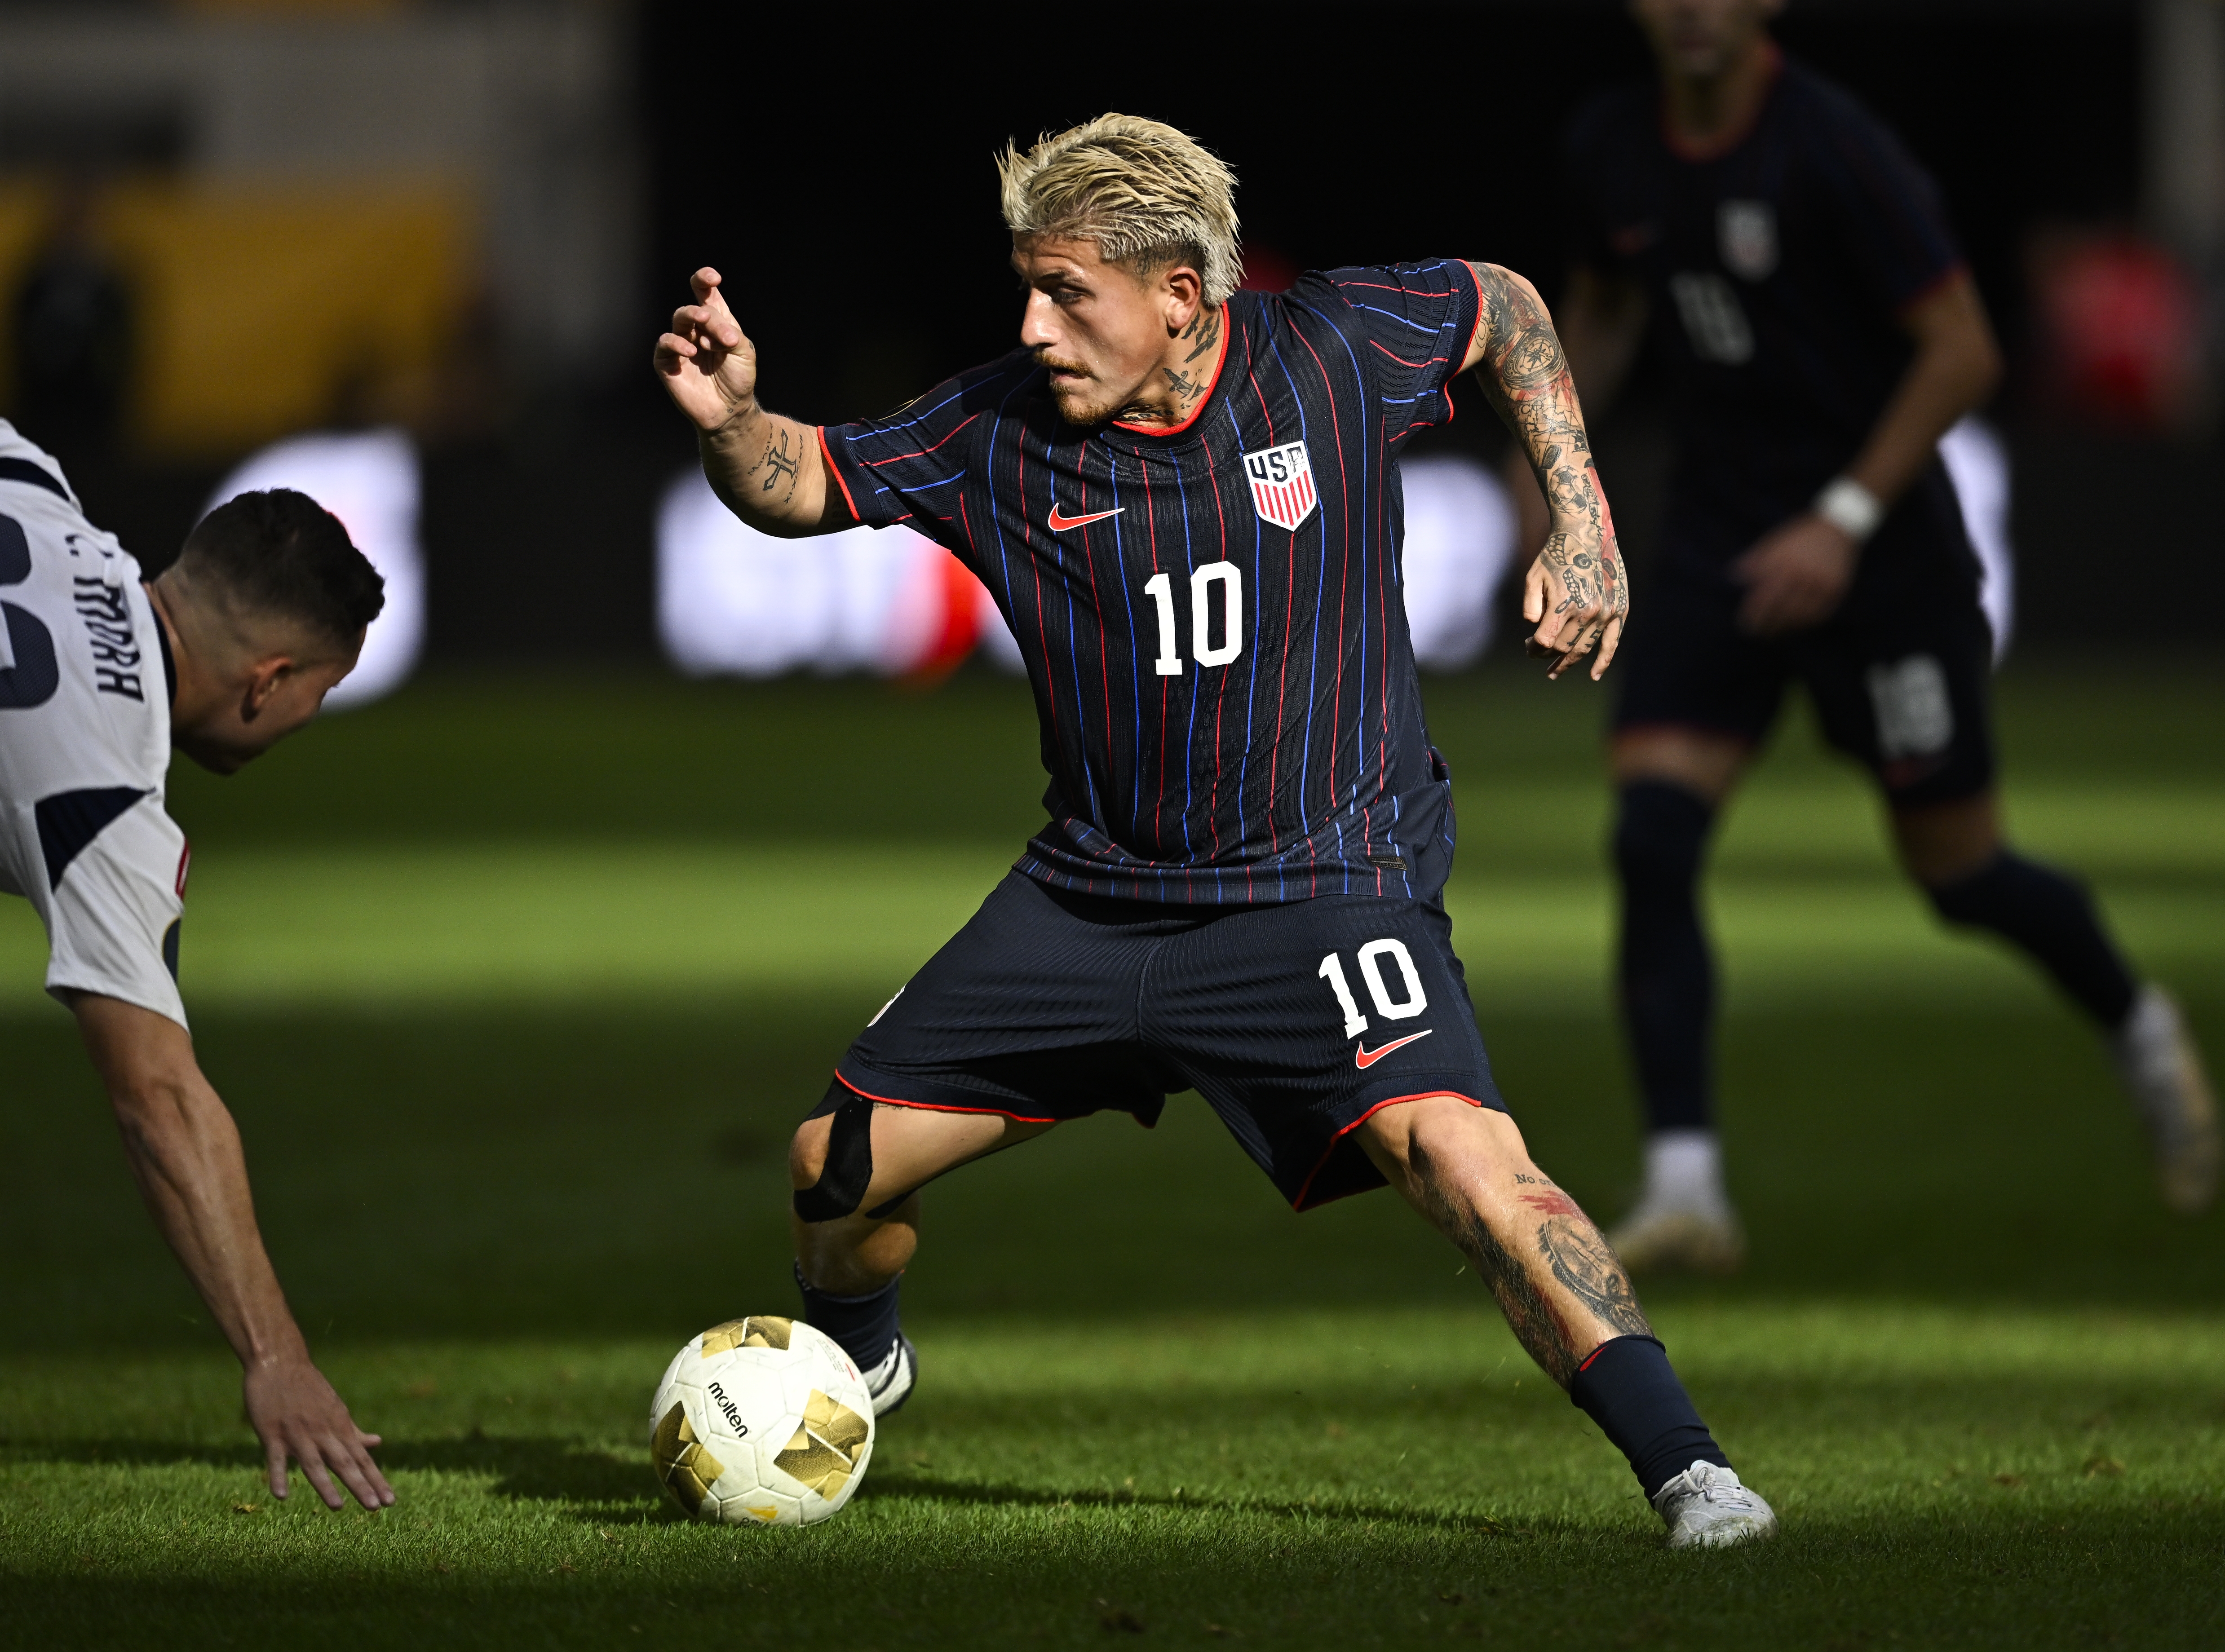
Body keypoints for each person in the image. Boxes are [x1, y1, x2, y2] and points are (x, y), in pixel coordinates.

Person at [656, 113, 1775, 1547]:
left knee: (1464, 1161)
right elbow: (799, 483)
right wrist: (737, 420)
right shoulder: (998, 424)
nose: (1034, 323)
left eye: (1069, 291)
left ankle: (1693, 1475)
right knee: (831, 1167)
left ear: (1181, 294)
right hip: (1090, 899)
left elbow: (1507, 306)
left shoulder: (1330, 350)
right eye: (1028, 286)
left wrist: (1583, 513)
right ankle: (860, 1361)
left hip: (1320, 887)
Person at [1517, 0, 2217, 1274]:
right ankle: (1686, 1186)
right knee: (1652, 833)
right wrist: (1553, 467)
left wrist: (1839, 521)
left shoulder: (1834, 147)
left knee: (1961, 873)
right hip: (1720, 542)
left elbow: (1963, 350)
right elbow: (1607, 307)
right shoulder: (1608, 146)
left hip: (1880, 557)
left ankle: (2138, 1022)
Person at [0, 423, 394, 1511]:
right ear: (269, 680)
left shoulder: (33, 481)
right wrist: (276, 1354)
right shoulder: (108, 799)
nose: (309, 717)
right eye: (322, 690)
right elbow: (158, 1097)